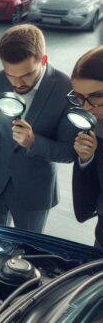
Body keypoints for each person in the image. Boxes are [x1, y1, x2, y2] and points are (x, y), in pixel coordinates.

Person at [0, 24, 76, 233]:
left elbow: (69, 152)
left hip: (35, 192)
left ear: (43, 60)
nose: (17, 83)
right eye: (10, 75)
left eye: (26, 75)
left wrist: (34, 142)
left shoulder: (66, 88)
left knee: (28, 256)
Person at [70, 46, 103, 250]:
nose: (86, 107)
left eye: (97, 96)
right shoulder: (93, 125)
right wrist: (86, 159)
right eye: (79, 97)